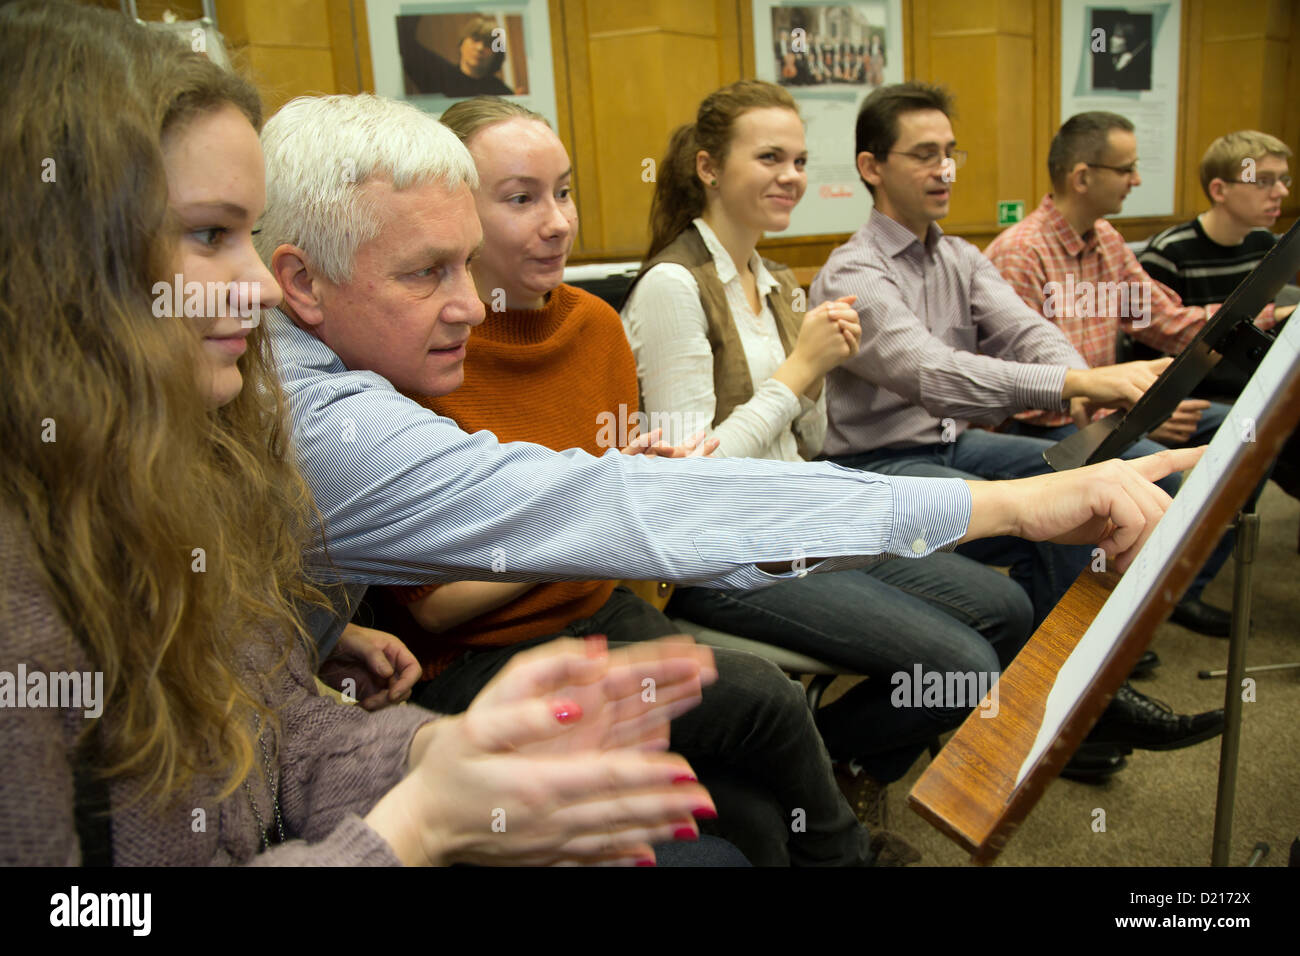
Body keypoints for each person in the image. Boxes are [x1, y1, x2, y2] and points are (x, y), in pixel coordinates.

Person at [250, 83, 1212, 813]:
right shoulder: (342, 402)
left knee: (982, 604)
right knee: (900, 652)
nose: (466, 297)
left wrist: (327, 630)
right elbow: (642, 501)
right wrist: (797, 383)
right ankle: (842, 787)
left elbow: (654, 481)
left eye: (566, 193)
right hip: (626, 584)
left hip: (665, 556)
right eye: (431, 268)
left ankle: (866, 781)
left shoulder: (639, 308)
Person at [0, 0, 730, 868]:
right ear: (58, 254)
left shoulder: (174, 461)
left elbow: (282, 732)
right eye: (208, 234)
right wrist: (416, 827)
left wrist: (434, 755)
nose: (259, 288)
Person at [619, 79, 1038, 806]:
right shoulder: (672, 287)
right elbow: (692, 483)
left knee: (1006, 613)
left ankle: (838, 768)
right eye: (771, 157)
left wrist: (816, 380)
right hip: (726, 550)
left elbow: (809, 439)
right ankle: (813, 775)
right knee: (966, 665)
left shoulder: (778, 280)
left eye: (801, 160)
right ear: (710, 169)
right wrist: (800, 370)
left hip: (805, 514)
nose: (792, 177)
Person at [809, 82, 1223, 758]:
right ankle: (1066, 703)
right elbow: (933, 375)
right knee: (1064, 502)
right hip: (875, 468)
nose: (944, 169)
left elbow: (1029, 331)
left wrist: (1073, 382)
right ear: (870, 167)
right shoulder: (852, 270)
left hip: (952, 451)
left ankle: (1070, 692)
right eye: (923, 155)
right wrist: (1075, 382)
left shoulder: (958, 256)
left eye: (949, 152)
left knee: (1091, 477)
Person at [983, 112, 1283, 636]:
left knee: (1240, 432)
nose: (1137, 179)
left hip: (1101, 415)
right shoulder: (1020, 252)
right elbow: (1024, 386)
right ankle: (1081, 637)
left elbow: (1167, 322)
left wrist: (1267, 315)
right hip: (1037, 426)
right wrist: (1127, 418)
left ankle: (1170, 591)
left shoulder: (1105, 240)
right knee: (1154, 466)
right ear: (1082, 177)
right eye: (1126, 169)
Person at [398, 14, 513, 97]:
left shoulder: (503, 92)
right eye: (475, 39)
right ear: (461, 44)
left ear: (496, 54)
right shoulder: (440, 77)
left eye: (488, 44)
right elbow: (405, 44)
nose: (480, 48)